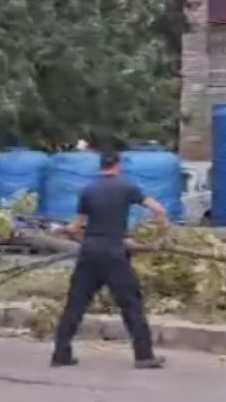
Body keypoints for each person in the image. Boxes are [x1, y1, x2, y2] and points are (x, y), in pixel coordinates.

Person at [52, 152, 168, 370]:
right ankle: (144, 355)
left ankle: (61, 353)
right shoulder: (127, 187)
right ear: (117, 166)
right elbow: (157, 208)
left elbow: (75, 227)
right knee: (131, 304)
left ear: (101, 167)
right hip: (114, 253)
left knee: (75, 304)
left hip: (89, 253)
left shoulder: (88, 191)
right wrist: (162, 232)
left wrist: (63, 231)